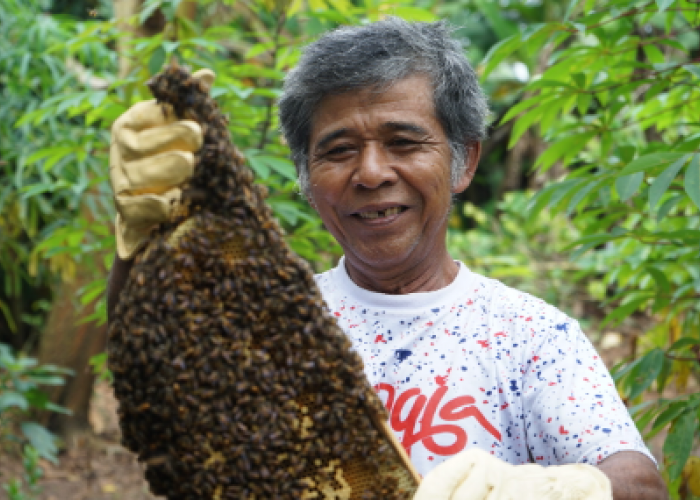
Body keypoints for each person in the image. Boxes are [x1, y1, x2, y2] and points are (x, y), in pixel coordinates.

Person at [107, 17, 668, 499]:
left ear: (463, 161)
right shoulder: (264, 321)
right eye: (339, 149)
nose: (371, 173)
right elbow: (155, 369)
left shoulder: (529, 335)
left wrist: (569, 486)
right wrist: (142, 241)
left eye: (403, 142)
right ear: (305, 177)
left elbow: (639, 480)